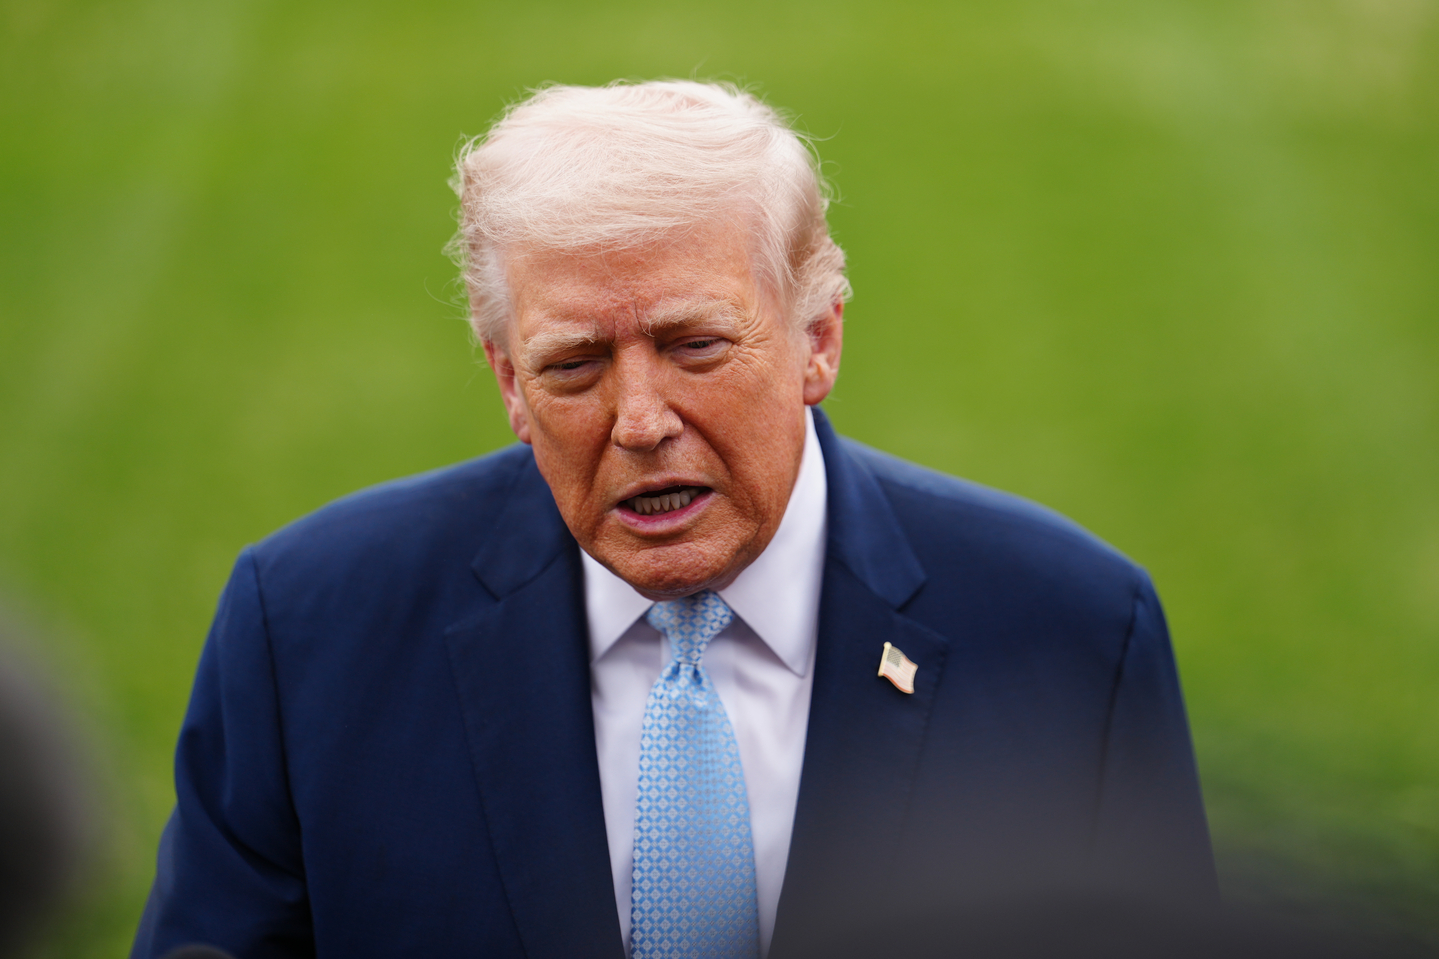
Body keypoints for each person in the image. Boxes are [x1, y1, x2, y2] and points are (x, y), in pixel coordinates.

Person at [131, 80, 1214, 959]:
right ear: (508, 382)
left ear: (817, 340)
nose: (640, 420)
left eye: (694, 344)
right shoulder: (309, 629)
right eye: (574, 365)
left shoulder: (1071, 630)